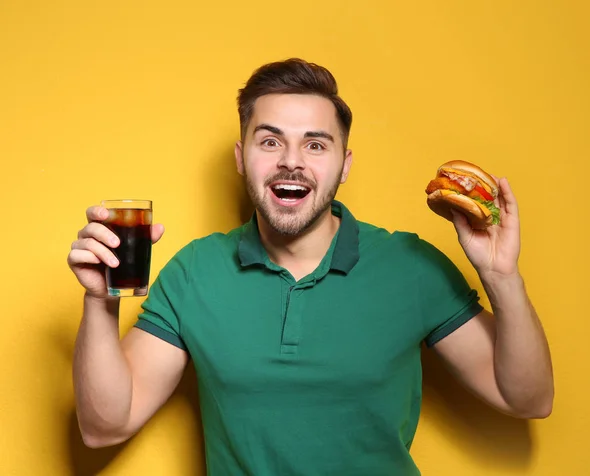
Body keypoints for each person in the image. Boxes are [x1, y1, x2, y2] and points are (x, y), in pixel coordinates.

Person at [68, 58, 554, 475]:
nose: (292, 162)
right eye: (270, 141)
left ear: (344, 165)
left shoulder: (411, 266)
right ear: (242, 158)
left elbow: (528, 400)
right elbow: (104, 425)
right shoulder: (196, 270)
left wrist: (501, 277)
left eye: (316, 144)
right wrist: (99, 299)